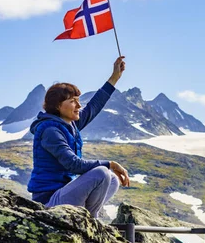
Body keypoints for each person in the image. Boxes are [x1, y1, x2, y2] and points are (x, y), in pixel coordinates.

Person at [27, 56, 130, 218]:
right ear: (58, 106)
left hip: (65, 194)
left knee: (112, 179)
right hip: (49, 201)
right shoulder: (50, 131)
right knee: (102, 172)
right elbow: (73, 164)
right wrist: (110, 163)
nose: (79, 105)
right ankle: (91, 222)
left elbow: (94, 107)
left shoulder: (69, 124)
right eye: (73, 101)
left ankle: (85, 219)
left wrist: (114, 78)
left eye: (78, 100)